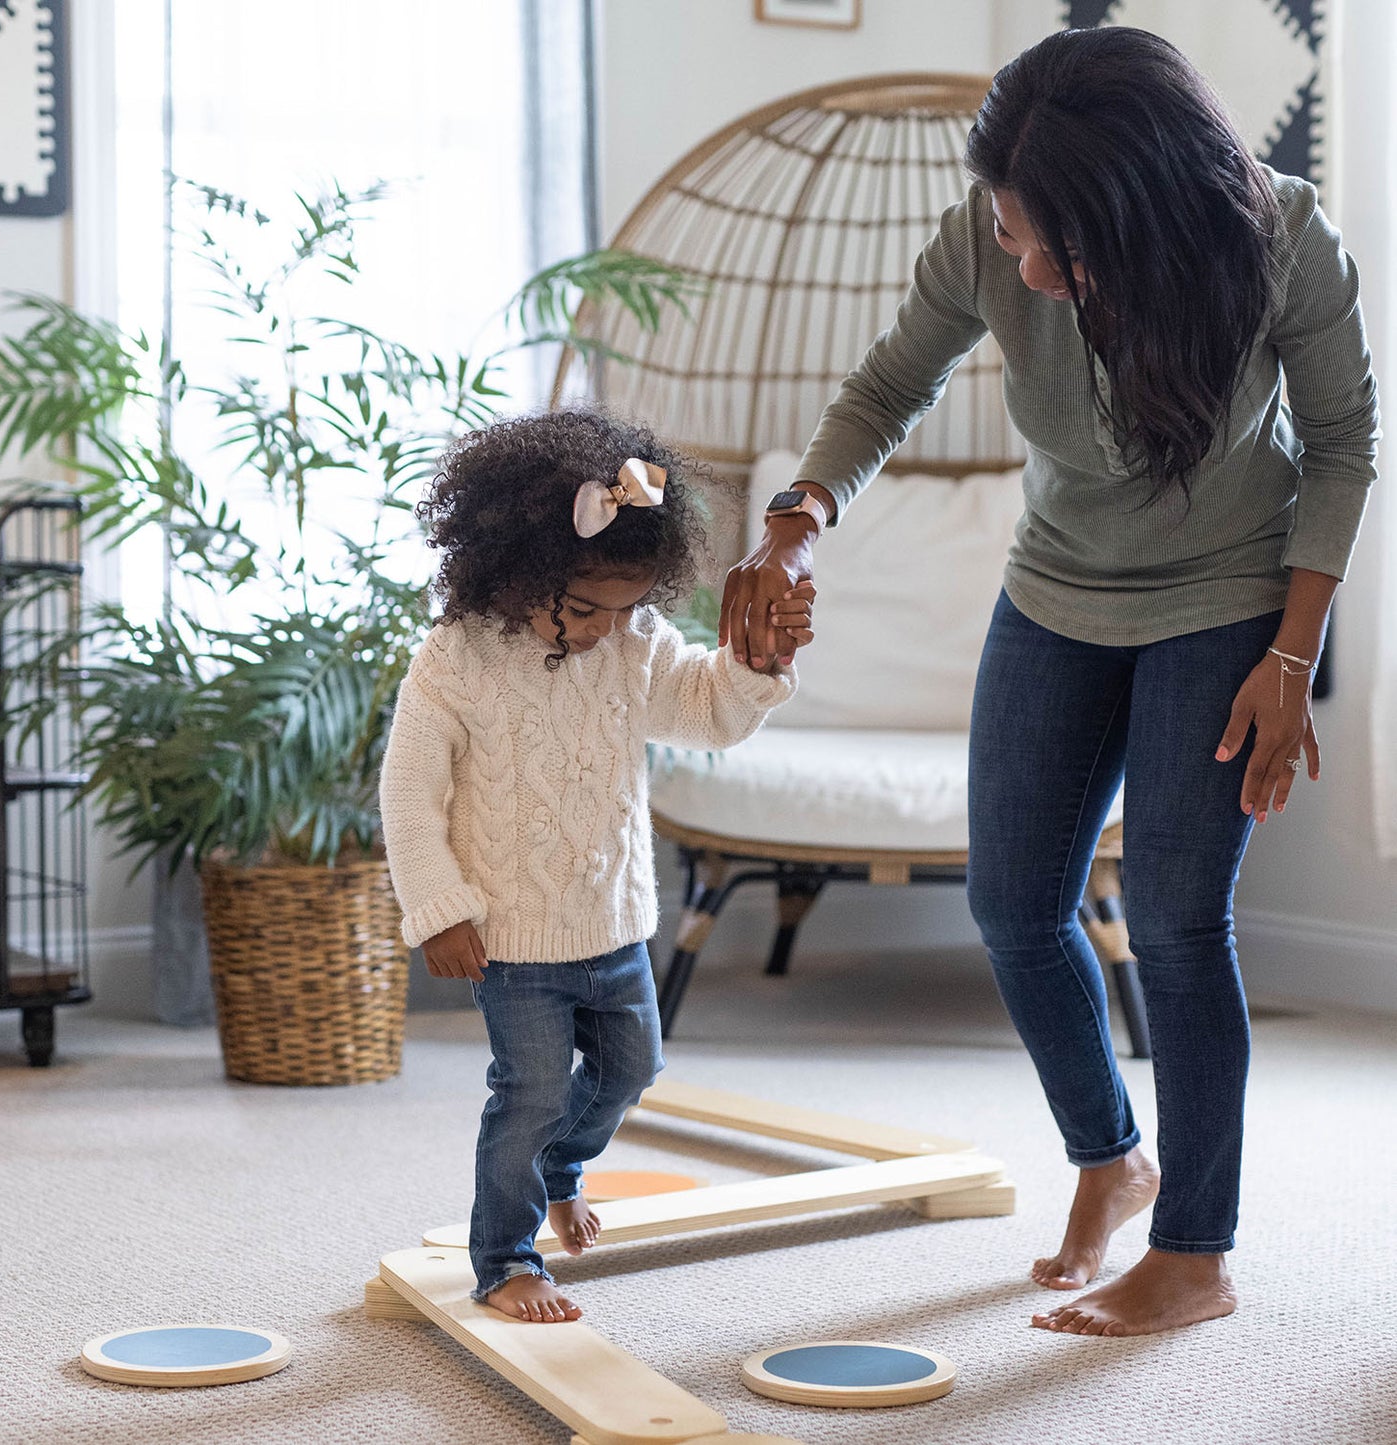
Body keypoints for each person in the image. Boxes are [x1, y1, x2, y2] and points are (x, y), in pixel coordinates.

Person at [719, 26, 1378, 1337]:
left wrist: (1289, 657)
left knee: (1182, 925)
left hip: (1228, 606)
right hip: (1055, 593)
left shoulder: (1280, 238)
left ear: (1141, 216)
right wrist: (796, 518)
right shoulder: (991, 236)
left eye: (1044, 243)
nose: (1016, 263)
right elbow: (891, 381)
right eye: (1007, 230)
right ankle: (1110, 1156)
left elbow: (1347, 442)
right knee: (1016, 908)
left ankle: (1194, 1251)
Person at [379, 408, 812, 1323]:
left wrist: (756, 665)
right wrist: (438, 908)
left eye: (625, 610)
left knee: (632, 1069)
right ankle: (504, 1257)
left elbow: (705, 710)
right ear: (521, 568)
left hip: (612, 922)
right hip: (510, 933)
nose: (601, 629)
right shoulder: (455, 659)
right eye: (583, 608)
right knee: (529, 1092)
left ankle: (561, 1170)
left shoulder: (629, 639)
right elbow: (409, 794)